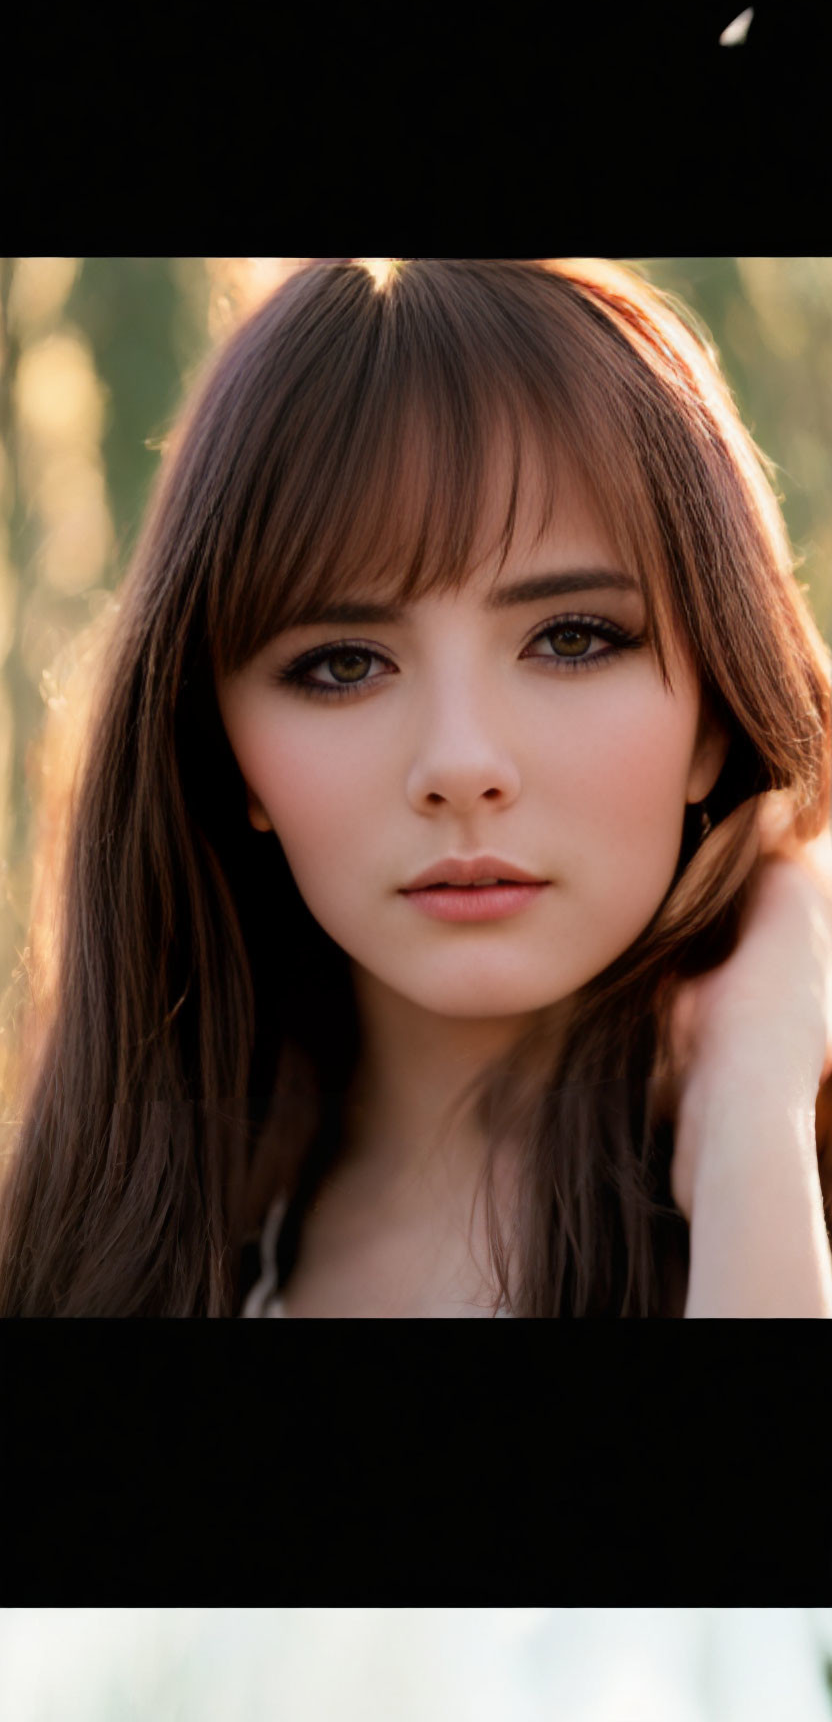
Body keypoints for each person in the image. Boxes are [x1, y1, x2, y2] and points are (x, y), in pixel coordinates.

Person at [0, 257, 830, 1317]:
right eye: (343, 663)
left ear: (713, 715)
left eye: (571, 638)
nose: (460, 764)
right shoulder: (104, 1259)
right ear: (227, 748)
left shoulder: (788, 1192)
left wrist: (754, 1121)